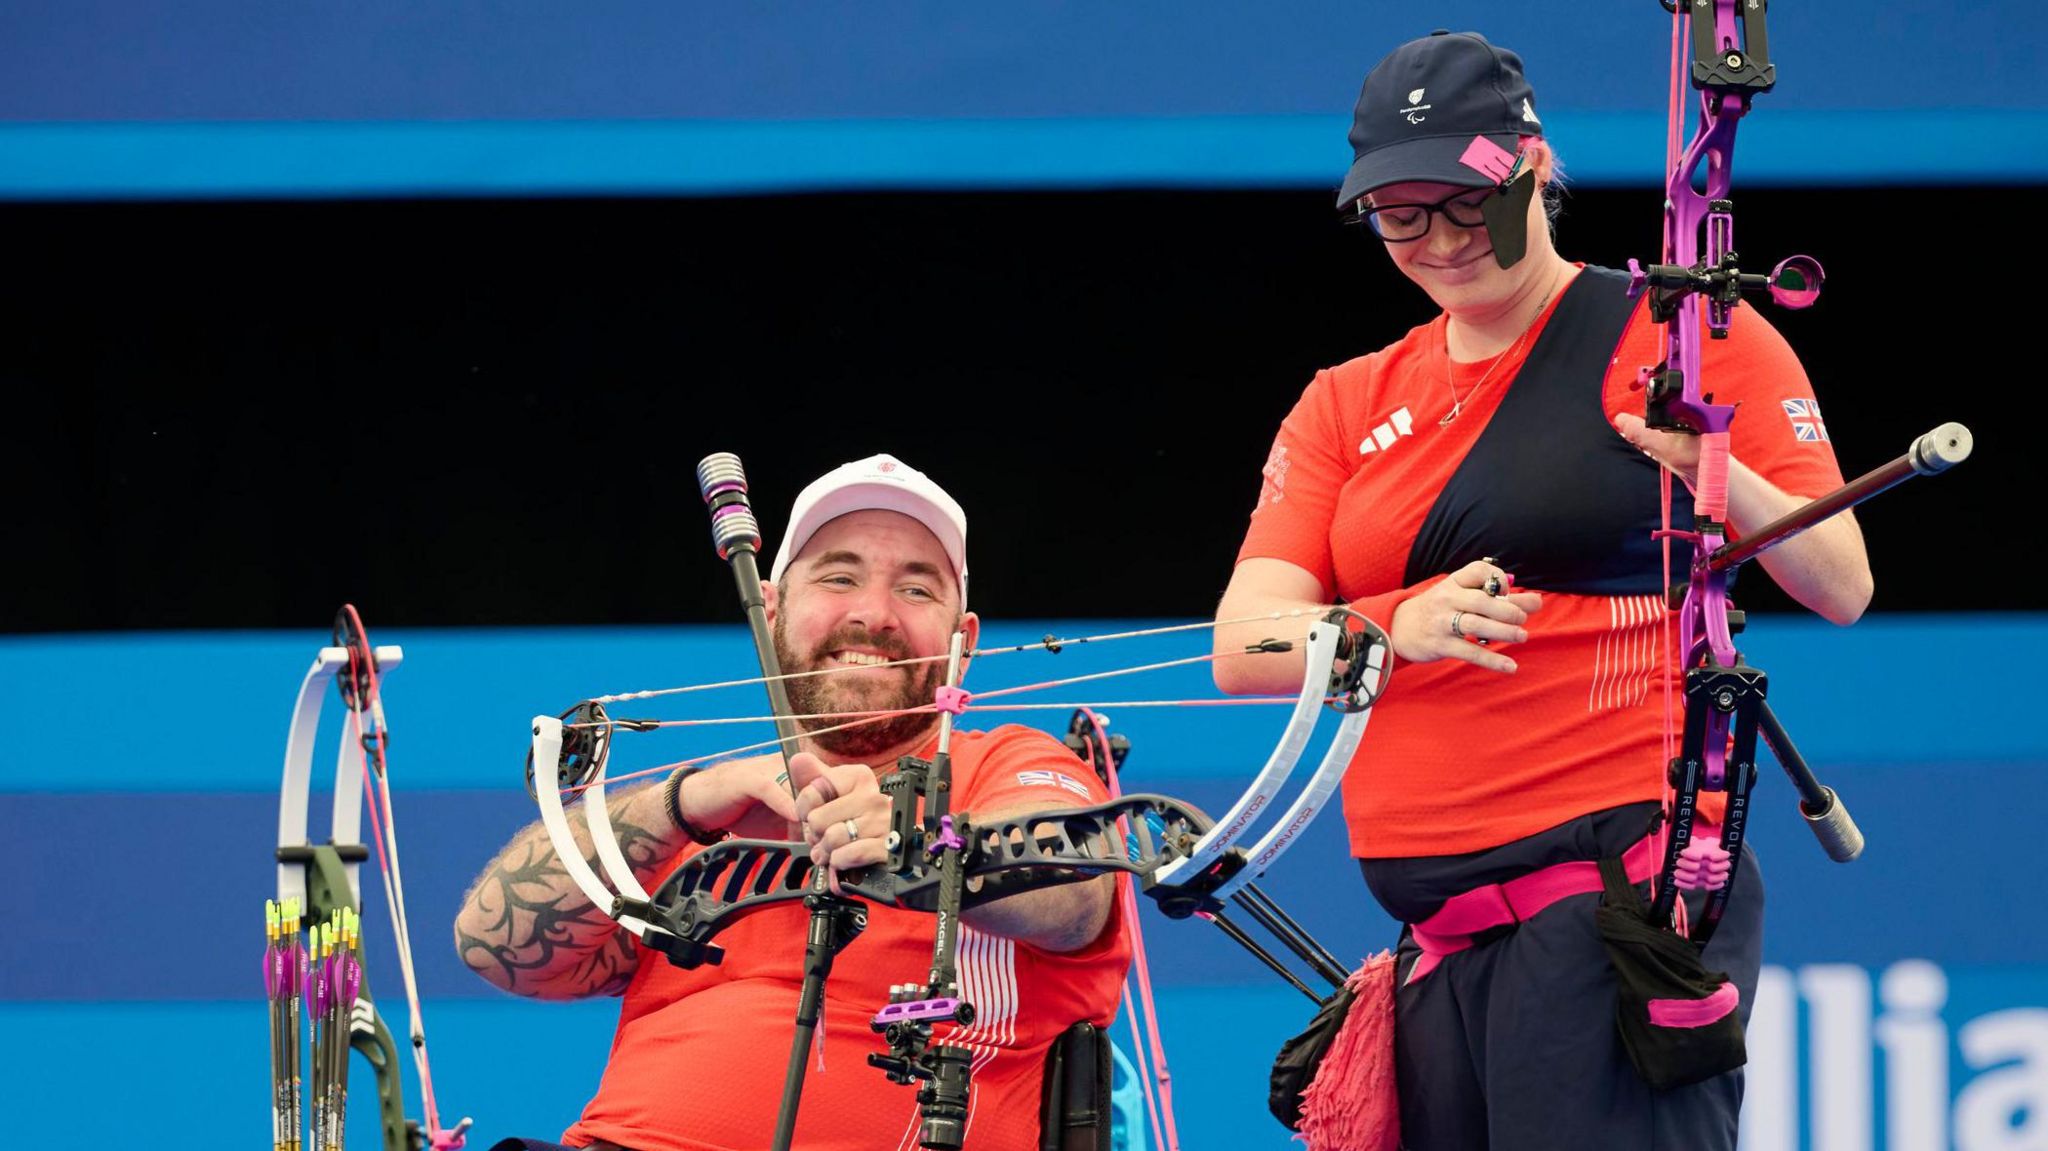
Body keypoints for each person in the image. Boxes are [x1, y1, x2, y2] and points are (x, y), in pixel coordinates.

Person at [1211, 31, 1872, 1150]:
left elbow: (1837, 578)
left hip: (1610, 901)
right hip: (1435, 940)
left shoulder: (1686, 334)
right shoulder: (1342, 399)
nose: (1437, 240)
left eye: (1465, 201)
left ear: (1531, 169)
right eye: (1397, 214)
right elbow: (1245, 645)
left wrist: (1703, 462)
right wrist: (1390, 623)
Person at [458, 453, 1129, 1151]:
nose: (874, 614)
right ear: (771, 610)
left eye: (918, 590)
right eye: (840, 577)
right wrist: (684, 800)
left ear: (964, 644)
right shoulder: (709, 815)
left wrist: (912, 837)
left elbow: (1079, 885)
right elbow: (493, 945)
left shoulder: (1007, 763)